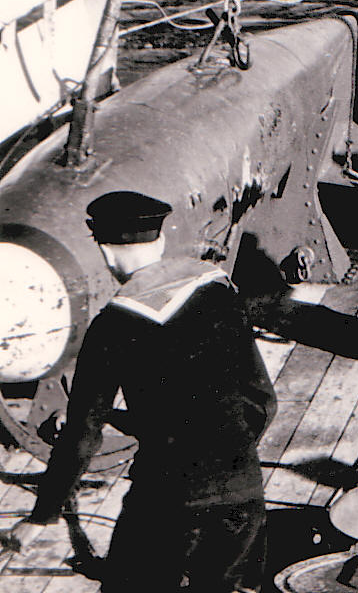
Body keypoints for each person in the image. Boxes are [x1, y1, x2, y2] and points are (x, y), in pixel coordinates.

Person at [2, 191, 276, 592]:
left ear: (107, 253)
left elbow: (82, 436)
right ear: (160, 241)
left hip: (166, 502)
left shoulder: (111, 326)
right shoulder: (218, 292)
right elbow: (263, 402)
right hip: (242, 494)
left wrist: (43, 515)